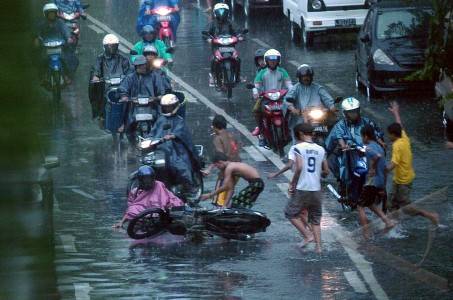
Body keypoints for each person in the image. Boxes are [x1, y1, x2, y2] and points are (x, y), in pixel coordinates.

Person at [386, 102, 439, 225]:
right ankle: (394, 224)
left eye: (389, 134)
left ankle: (430, 215)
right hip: (400, 179)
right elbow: (400, 125)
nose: (388, 136)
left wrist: (383, 169)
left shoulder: (397, 145)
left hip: (403, 181)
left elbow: (393, 164)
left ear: (393, 135)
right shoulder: (403, 137)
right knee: (391, 203)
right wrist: (396, 112)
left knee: (405, 206)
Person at [287, 123, 329, 253]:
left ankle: (307, 235)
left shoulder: (297, 148)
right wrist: (318, 173)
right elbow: (326, 171)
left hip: (302, 188)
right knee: (315, 219)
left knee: (290, 213)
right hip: (316, 189)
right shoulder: (321, 149)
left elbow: (298, 167)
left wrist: (292, 183)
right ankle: (319, 247)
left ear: (299, 134)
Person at [325, 97, 384, 181]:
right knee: (344, 175)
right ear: (345, 113)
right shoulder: (339, 126)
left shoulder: (367, 122)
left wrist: (380, 143)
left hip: (366, 155)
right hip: (348, 157)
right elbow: (330, 143)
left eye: (355, 111)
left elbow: (377, 135)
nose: (353, 114)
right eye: (350, 112)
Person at [150, 94, 198, 194]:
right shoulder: (160, 120)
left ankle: (188, 185)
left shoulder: (179, 120)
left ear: (174, 106)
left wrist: (172, 136)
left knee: (179, 165)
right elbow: (153, 132)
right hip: (161, 149)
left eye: (169, 107)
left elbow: (180, 132)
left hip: (176, 149)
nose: (167, 109)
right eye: (165, 107)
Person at [113, 166, 184, 228]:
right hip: (143, 216)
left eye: (149, 179)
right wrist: (121, 222)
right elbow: (130, 210)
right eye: (145, 179)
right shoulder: (134, 192)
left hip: (160, 212)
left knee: (175, 204)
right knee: (132, 209)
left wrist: (164, 208)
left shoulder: (159, 185)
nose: (148, 181)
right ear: (141, 180)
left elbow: (163, 200)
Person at [357, 125, 394, 236]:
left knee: (360, 206)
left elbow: (376, 157)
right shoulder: (379, 146)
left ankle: (366, 233)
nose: (362, 139)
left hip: (372, 181)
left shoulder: (369, 147)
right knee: (371, 203)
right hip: (380, 180)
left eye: (362, 136)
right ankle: (388, 222)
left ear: (366, 136)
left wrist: (372, 168)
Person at [284, 64, 336, 143]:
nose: (306, 78)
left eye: (308, 76)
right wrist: (293, 109)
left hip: (317, 116)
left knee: (331, 125)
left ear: (311, 77)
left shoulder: (318, 88)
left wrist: (332, 106)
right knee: (297, 134)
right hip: (300, 116)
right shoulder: (295, 88)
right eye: (304, 76)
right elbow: (287, 100)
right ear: (299, 77)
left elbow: (328, 99)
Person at [118, 55, 165, 141]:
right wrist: (124, 96)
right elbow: (122, 89)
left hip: (152, 106)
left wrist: (158, 97)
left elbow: (161, 91)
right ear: (136, 67)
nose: (142, 67)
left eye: (143, 65)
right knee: (127, 121)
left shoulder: (155, 76)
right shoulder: (130, 78)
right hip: (134, 107)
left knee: (161, 122)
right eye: (139, 66)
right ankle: (124, 129)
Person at [252, 49, 293, 147]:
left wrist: (291, 92)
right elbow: (256, 85)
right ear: (267, 60)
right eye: (270, 60)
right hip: (265, 98)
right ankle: (261, 131)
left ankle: (290, 129)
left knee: (292, 109)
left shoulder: (283, 71)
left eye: (275, 60)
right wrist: (255, 92)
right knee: (256, 110)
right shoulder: (262, 72)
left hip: (280, 98)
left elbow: (289, 84)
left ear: (278, 60)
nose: (273, 62)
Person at [89, 34, 132, 124]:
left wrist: (128, 77)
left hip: (121, 85)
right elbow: (96, 69)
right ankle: (100, 113)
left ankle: (131, 113)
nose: (111, 48)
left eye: (113, 46)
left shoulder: (123, 59)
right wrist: (96, 77)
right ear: (105, 47)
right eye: (109, 46)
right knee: (94, 87)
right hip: (106, 85)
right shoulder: (100, 58)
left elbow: (129, 71)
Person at [203, 114, 241, 206]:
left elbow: (220, 157)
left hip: (227, 170)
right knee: (228, 194)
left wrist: (209, 169)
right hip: (238, 168)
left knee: (218, 200)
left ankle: (221, 214)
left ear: (215, 127)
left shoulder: (218, 138)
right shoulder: (232, 135)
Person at [35, 3, 76, 84]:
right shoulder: (42, 24)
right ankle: (44, 76)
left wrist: (68, 38)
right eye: (50, 13)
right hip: (46, 48)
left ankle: (66, 75)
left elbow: (66, 31)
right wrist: (36, 39)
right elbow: (38, 33)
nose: (51, 15)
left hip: (60, 46)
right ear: (46, 14)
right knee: (41, 60)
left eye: (53, 13)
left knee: (67, 59)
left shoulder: (60, 23)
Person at [205, 3, 241, 86]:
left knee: (238, 59)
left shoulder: (230, 23)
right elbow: (206, 33)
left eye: (223, 12)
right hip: (217, 47)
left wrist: (240, 36)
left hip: (230, 47)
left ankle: (238, 76)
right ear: (215, 12)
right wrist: (208, 38)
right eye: (220, 11)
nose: (221, 14)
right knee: (214, 60)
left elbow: (238, 31)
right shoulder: (212, 23)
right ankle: (212, 75)